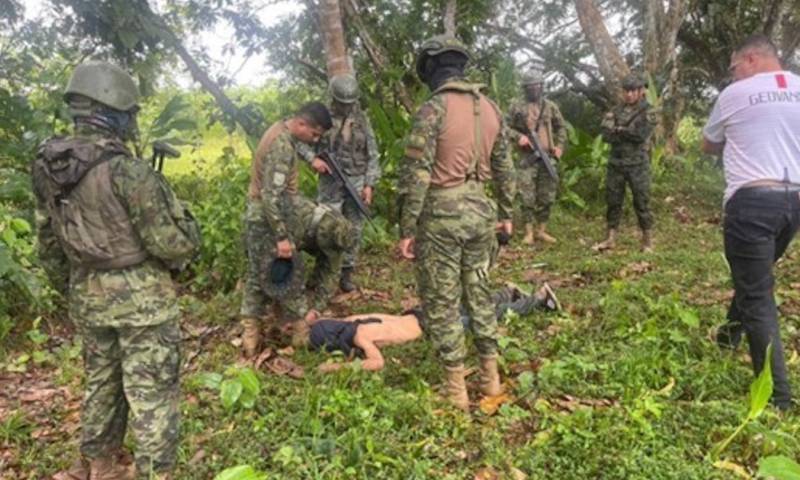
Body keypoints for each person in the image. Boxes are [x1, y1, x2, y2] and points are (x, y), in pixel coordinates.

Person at [34, 61, 201, 480]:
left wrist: (73, 286)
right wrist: (188, 229)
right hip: (143, 301)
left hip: (87, 293)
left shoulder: (49, 165)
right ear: (116, 109)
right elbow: (169, 243)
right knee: (152, 393)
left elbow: (48, 241)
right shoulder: (129, 170)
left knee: (101, 382)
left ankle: (96, 465)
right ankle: (152, 473)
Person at [396, 35, 516, 411]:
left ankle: (455, 390)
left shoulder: (433, 109)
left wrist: (406, 229)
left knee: (443, 301)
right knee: (479, 293)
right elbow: (505, 169)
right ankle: (490, 378)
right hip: (482, 212)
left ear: (431, 68)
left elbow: (416, 173)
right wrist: (508, 214)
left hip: (441, 216)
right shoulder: (491, 108)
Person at [702, 34, 800, 411]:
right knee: (755, 277)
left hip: (753, 202)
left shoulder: (733, 95)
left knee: (759, 296)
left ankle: (778, 397)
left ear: (752, 59)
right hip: (794, 203)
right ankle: (728, 336)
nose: (733, 74)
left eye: (734, 67)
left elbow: (708, 144)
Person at [239, 102, 356, 356]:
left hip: (262, 217)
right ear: (302, 124)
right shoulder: (282, 145)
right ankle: (300, 336)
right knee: (289, 276)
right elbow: (272, 195)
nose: (314, 140)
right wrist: (282, 236)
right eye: (314, 134)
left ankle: (252, 335)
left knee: (258, 274)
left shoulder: (281, 131)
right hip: (269, 219)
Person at [311, 284, 560, 372]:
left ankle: (538, 300)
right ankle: (507, 293)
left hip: (428, 326)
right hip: (419, 314)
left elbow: (377, 363)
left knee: (481, 317)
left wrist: (335, 367)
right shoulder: (354, 320)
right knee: (469, 306)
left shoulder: (360, 336)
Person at [308, 74, 381, 292]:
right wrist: (313, 160)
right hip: (330, 181)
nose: (346, 107)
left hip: (356, 180)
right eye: (342, 103)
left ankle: (346, 273)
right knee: (328, 227)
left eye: (350, 103)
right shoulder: (321, 117)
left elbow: (373, 153)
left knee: (354, 228)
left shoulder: (362, 119)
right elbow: (302, 143)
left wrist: (369, 184)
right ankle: (324, 273)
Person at [592, 73, 656, 253]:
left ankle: (647, 240)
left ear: (640, 92)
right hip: (616, 162)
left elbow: (641, 135)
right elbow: (606, 135)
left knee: (641, 201)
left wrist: (620, 131)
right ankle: (610, 238)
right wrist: (624, 131)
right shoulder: (615, 110)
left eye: (632, 91)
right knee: (613, 201)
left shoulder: (648, 111)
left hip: (637, 164)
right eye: (626, 91)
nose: (629, 94)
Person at [507, 70, 567, 245]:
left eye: (537, 85)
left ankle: (541, 230)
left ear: (542, 86)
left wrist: (560, 146)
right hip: (527, 158)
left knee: (547, 195)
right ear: (525, 88)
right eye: (531, 86)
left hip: (547, 156)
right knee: (527, 196)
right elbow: (503, 127)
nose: (535, 89)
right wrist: (519, 137)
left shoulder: (550, 106)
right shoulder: (516, 106)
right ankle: (528, 232)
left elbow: (561, 127)